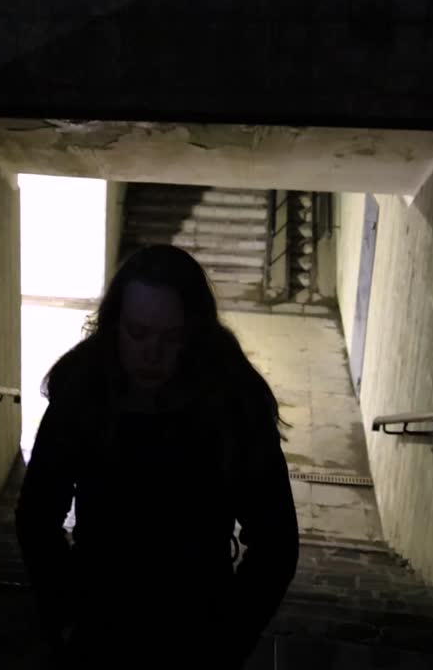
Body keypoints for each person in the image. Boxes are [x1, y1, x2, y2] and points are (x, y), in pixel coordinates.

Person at [15, 244, 299, 667]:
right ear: (114, 326)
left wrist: (227, 639)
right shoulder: (84, 388)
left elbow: (276, 542)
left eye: (171, 337)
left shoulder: (232, 399)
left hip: (197, 621)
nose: (152, 353)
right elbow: (37, 513)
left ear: (194, 334)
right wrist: (67, 609)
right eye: (138, 333)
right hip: (99, 615)